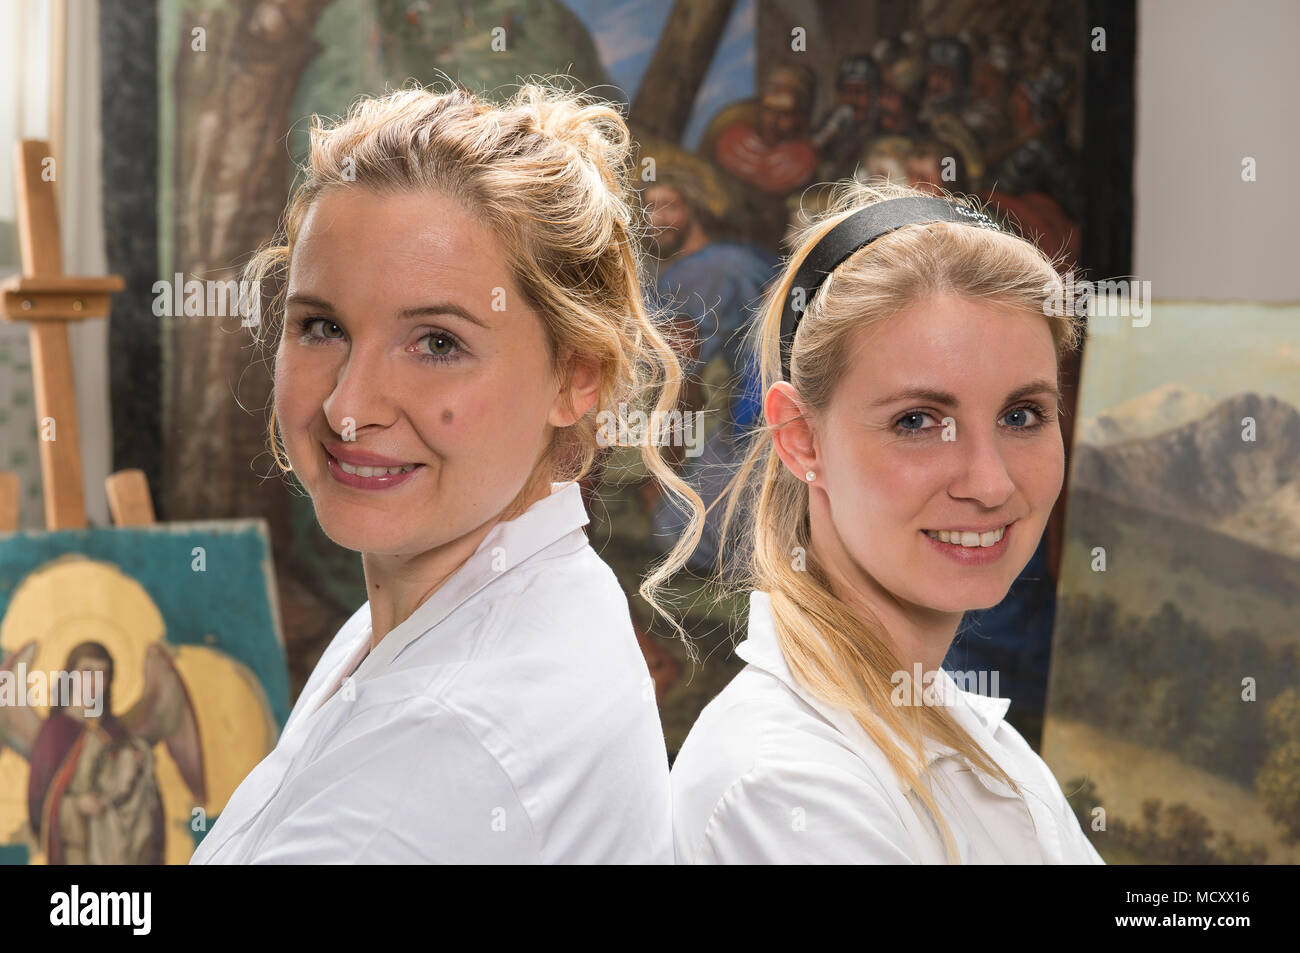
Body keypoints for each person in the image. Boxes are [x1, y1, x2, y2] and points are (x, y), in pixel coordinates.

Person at [189, 80, 702, 864]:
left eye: (436, 342)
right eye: (322, 326)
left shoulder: (452, 736)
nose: (349, 408)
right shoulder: (457, 596)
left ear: (578, 376)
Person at [662, 180, 1104, 864]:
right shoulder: (786, 787)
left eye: (1022, 416)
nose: (990, 483)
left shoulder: (974, 734)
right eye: (918, 421)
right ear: (801, 438)